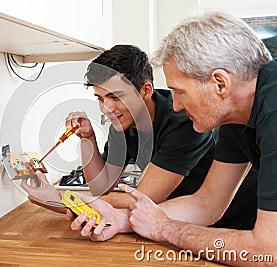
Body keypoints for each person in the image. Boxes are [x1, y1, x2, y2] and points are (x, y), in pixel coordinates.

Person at [68, 12, 276, 266]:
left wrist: (166, 229)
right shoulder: (233, 114)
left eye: (179, 91)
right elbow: (207, 204)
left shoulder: (272, 112)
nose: (175, 105)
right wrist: (124, 220)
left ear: (219, 83)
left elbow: (268, 250)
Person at [64, 44, 256, 229]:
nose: (107, 108)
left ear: (146, 91)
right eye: (100, 98)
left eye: (115, 97)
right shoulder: (123, 123)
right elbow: (101, 186)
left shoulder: (183, 121)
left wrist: (69, 202)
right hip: (188, 216)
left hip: (241, 219)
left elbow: (145, 198)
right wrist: (87, 138)